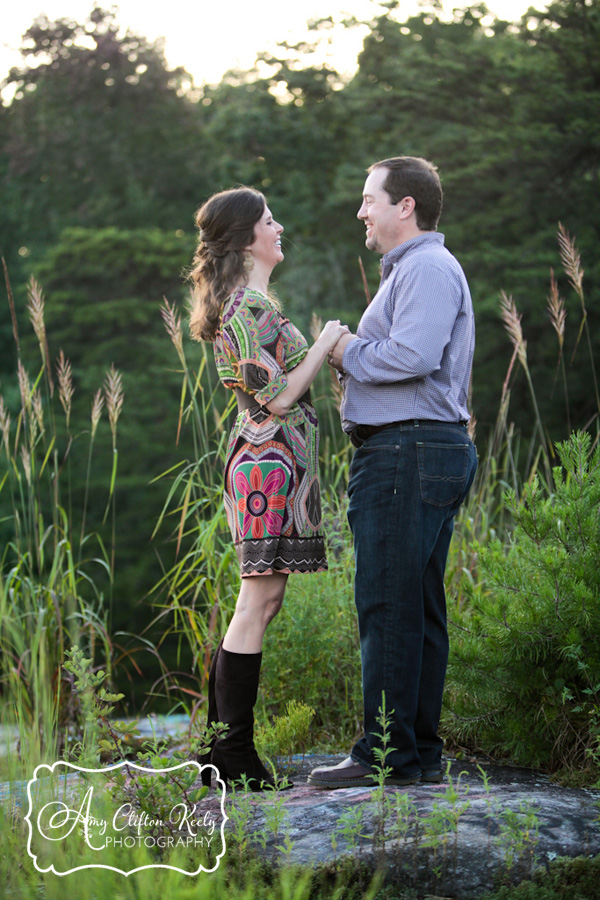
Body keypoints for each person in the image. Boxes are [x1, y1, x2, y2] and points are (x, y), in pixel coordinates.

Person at [308, 156, 478, 789]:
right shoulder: (416, 269)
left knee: (388, 605)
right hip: (416, 451)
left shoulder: (429, 267)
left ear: (405, 206)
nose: (362, 211)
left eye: (369, 199)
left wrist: (343, 347)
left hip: (408, 454)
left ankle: (384, 757)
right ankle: (416, 755)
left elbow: (412, 356)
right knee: (417, 607)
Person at [188, 186, 348, 790]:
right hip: (266, 465)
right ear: (246, 237)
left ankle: (216, 752)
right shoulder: (243, 311)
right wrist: (328, 338)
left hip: (277, 463)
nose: (278, 227)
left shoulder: (252, 304)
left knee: (263, 602)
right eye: (269, 220)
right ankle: (231, 757)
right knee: (255, 605)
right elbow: (278, 397)